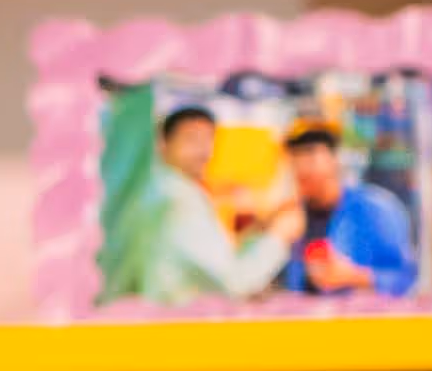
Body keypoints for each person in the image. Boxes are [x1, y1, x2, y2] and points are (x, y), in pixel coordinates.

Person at [110, 97, 264, 307]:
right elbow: (235, 283)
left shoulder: (161, 187)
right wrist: (279, 234)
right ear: (163, 144)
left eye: (208, 140)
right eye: (191, 140)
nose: (203, 151)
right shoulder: (177, 199)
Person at [272, 112, 415, 296]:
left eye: (310, 154)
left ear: (334, 159)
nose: (302, 166)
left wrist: (354, 276)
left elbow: (407, 279)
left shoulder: (374, 209)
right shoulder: (290, 216)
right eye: (295, 156)